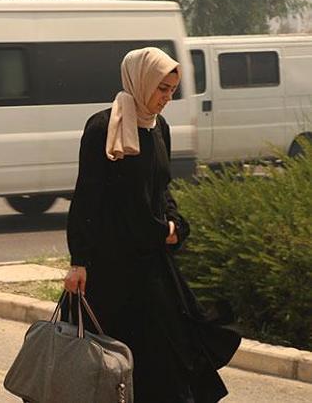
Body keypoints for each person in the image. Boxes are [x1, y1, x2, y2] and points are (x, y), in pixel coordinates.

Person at [64, 47, 240, 402]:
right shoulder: (102, 128)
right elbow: (87, 198)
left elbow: (162, 188)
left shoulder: (159, 128)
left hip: (151, 265)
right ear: (139, 81)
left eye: (172, 90)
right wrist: (78, 260)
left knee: (167, 357)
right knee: (106, 363)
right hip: (109, 270)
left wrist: (174, 224)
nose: (166, 98)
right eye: (161, 89)